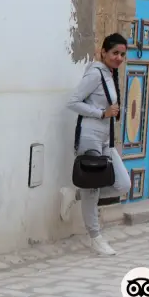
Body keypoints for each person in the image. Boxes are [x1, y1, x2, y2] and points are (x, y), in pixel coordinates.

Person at [60, 32, 132, 256]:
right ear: (103, 52)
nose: (119, 57)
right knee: (93, 189)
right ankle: (95, 237)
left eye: (122, 54)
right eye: (114, 53)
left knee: (122, 184)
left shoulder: (110, 75)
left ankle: (75, 195)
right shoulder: (95, 73)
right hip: (90, 136)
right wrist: (101, 113)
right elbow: (73, 102)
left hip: (105, 139)